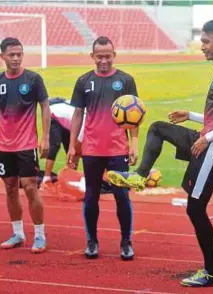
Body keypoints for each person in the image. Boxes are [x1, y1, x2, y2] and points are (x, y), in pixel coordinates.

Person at [106, 18, 213, 287]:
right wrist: (193, 116)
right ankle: (140, 175)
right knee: (159, 128)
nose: (202, 46)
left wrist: (206, 137)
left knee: (195, 209)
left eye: (206, 41)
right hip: (208, 139)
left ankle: (212, 272)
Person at [66, 36, 139, 260]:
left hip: (118, 149)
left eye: (108, 56)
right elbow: (77, 114)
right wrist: (72, 146)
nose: (104, 60)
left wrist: (134, 143)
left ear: (114, 55)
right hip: (91, 149)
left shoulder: (126, 80)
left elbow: (135, 114)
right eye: (99, 57)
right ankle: (92, 241)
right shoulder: (83, 81)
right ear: (92, 56)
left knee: (122, 196)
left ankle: (126, 242)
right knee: (91, 196)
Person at [0, 37, 51, 253]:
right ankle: (17, 233)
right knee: (9, 188)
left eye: (19, 54)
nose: (16, 58)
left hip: (27, 145)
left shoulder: (34, 79)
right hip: (4, 146)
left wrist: (45, 137)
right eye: (12, 54)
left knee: (29, 187)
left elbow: (45, 106)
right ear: (3, 57)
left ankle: (39, 235)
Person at [42, 97, 85, 187]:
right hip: (54, 114)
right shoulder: (84, 124)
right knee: (55, 144)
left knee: (71, 147)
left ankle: (70, 177)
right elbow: (77, 148)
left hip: (68, 118)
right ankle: (46, 178)